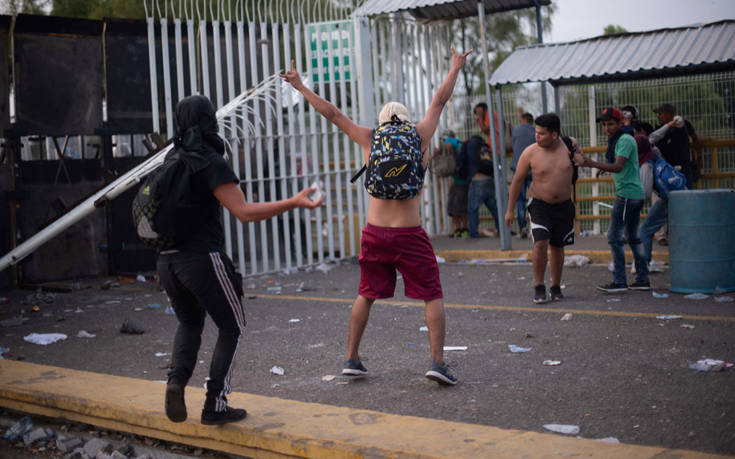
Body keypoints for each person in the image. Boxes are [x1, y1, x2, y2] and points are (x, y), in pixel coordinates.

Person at [281, 46, 472, 386]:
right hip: (410, 234)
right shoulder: (419, 135)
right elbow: (439, 100)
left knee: (366, 294)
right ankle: (437, 362)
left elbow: (332, 114)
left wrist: (299, 86)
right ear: (406, 120)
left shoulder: (369, 138)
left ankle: (351, 358)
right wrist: (455, 66)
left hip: (375, 233)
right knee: (431, 294)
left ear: (383, 121)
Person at [159, 95, 321, 425]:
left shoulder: (171, 157)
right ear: (209, 121)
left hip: (167, 261)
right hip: (201, 260)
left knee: (190, 322)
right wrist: (293, 202)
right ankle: (214, 404)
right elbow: (244, 212)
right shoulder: (209, 160)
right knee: (232, 326)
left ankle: (176, 382)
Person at [574, 107, 649, 293]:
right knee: (633, 237)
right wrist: (604, 166)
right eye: (604, 125)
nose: (607, 128)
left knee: (615, 237)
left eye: (611, 124)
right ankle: (642, 279)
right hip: (633, 194)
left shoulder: (624, 140)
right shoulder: (620, 139)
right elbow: (618, 164)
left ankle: (620, 281)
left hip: (627, 196)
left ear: (620, 123)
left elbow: (618, 166)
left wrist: (590, 163)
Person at [505, 113, 577, 304]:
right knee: (540, 243)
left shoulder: (569, 146)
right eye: (536, 132)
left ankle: (555, 286)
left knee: (558, 246)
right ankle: (539, 285)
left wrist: (581, 156)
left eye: (542, 133)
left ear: (554, 134)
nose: (536, 136)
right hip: (539, 205)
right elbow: (517, 181)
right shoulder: (530, 152)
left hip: (563, 206)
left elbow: (581, 161)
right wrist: (510, 210)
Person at [653, 103, 703, 189]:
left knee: (689, 193)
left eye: (660, 114)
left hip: (684, 168)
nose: (658, 116)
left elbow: (695, 139)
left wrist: (698, 157)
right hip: (668, 170)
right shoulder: (660, 131)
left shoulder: (684, 124)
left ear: (668, 114)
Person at [463, 135, 501, 237]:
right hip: (489, 179)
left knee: (473, 208)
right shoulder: (485, 146)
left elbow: (462, 161)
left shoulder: (469, 144)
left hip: (477, 179)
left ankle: (474, 233)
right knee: (494, 207)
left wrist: (465, 176)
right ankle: (501, 229)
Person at [510, 112, 535, 238]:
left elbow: (512, 146)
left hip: (518, 168)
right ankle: (535, 226)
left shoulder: (516, 130)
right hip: (532, 169)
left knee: (520, 200)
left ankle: (523, 227)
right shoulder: (536, 131)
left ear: (523, 120)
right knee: (535, 198)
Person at [442, 130, 469, 237]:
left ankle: (464, 229)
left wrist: (452, 151)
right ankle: (458, 229)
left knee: (460, 207)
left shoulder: (458, 145)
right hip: (456, 181)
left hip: (462, 181)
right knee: (453, 207)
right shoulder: (456, 145)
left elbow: (459, 161)